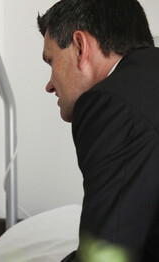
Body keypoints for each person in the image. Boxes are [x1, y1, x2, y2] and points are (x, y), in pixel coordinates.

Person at [37, 0, 159, 261]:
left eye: (51, 61)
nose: (49, 85)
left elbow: (108, 250)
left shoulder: (110, 103)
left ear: (81, 47)